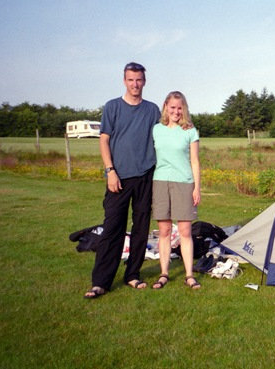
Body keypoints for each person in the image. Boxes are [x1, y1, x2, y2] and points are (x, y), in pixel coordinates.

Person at [84, 62, 161, 298]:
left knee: (141, 228)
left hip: (146, 175)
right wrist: (110, 171)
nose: (135, 84)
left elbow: (163, 137)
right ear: (124, 81)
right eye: (130, 80)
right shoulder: (112, 107)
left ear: (144, 82)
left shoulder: (152, 110)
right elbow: (104, 140)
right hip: (118, 177)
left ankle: (133, 275)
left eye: (139, 80)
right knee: (112, 228)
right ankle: (101, 282)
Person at [151, 91, 201, 290]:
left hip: (184, 183)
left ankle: (189, 275)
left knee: (185, 231)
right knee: (164, 230)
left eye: (180, 108)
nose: (176, 111)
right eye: (172, 107)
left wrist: (197, 187)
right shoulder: (156, 129)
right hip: (161, 182)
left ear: (184, 109)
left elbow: (195, 161)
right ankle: (164, 273)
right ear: (165, 107)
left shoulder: (190, 131)